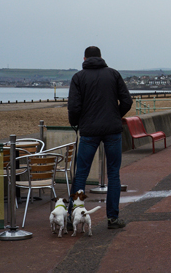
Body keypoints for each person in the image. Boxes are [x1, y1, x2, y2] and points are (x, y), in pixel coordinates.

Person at [68, 46, 132, 229]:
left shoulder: (78, 77)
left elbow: (73, 107)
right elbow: (127, 100)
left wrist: (76, 123)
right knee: (113, 174)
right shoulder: (113, 74)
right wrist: (115, 115)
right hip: (112, 130)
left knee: (81, 173)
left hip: (89, 131)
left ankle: (73, 215)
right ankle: (112, 218)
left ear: (84, 58)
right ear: (101, 57)